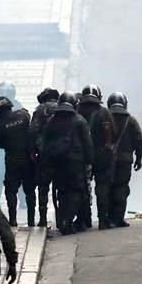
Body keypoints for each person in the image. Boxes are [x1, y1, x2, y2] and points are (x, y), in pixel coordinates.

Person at [38, 92, 93, 235]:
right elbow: (87, 143)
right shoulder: (79, 120)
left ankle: (63, 219)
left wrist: (45, 161)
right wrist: (89, 160)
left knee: (62, 191)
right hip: (75, 163)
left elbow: (44, 142)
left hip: (56, 163)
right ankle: (67, 221)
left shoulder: (52, 120)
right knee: (76, 191)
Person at [0, 96, 34, 227]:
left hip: (12, 160)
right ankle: (32, 221)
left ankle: (13, 220)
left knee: (11, 191)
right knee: (30, 191)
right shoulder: (24, 115)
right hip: (28, 159)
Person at [77, 84, 115, 230]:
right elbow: (112, 132)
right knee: (102, 188)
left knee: (82, 188)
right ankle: (103, 220)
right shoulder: (104, 112)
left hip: (82, 156)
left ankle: (83, 219)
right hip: (102, 156)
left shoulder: (77, 111)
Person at [105, 92, 142, 227]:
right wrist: (139, 157)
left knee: (107, 187)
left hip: (106, 159)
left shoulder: (103, 117)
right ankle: (119, 218)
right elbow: (138, 139)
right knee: (122, 187)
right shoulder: (131, 120)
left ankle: (108, 218)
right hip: (125, 160)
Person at [0, 82, 24, 206]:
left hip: (5, 148)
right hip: (6, 149)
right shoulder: (19, 108)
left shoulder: (16, 107)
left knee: (6, 176)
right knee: (1, 176)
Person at [30, 88, 60, 229]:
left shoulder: (40, 110)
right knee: (62, 188)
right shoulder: (64, 108)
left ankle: (42, 219)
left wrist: (32, 150)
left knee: (43, 188)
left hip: (44, 155)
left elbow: (33, 131)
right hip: (62, 155)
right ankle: (62, 219)